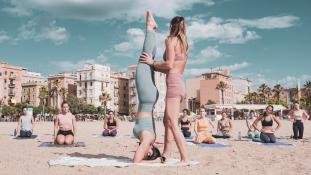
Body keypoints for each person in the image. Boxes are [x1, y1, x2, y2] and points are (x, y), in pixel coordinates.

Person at [140, 12, 189, 163]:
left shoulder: (170, 40)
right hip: (181, 83)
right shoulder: (185, 43)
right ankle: (167, 152)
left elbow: (169, 65)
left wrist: (152, 63)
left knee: (173, 123)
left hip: (173, 83)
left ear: (170, 27)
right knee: (166, 121)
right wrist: (155, 67)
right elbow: (174, 66)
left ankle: (184, 158)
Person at [132, 10, 162, 163]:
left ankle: (152, 31)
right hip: (147, 98)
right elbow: (136, 160)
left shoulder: (149, 138)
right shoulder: (149, 137)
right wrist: (146, 150)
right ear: (150, 152)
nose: (143, 151)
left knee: (147, 59)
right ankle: (149, 28)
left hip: (148, 98)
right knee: (144, 60)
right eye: (147, 153)